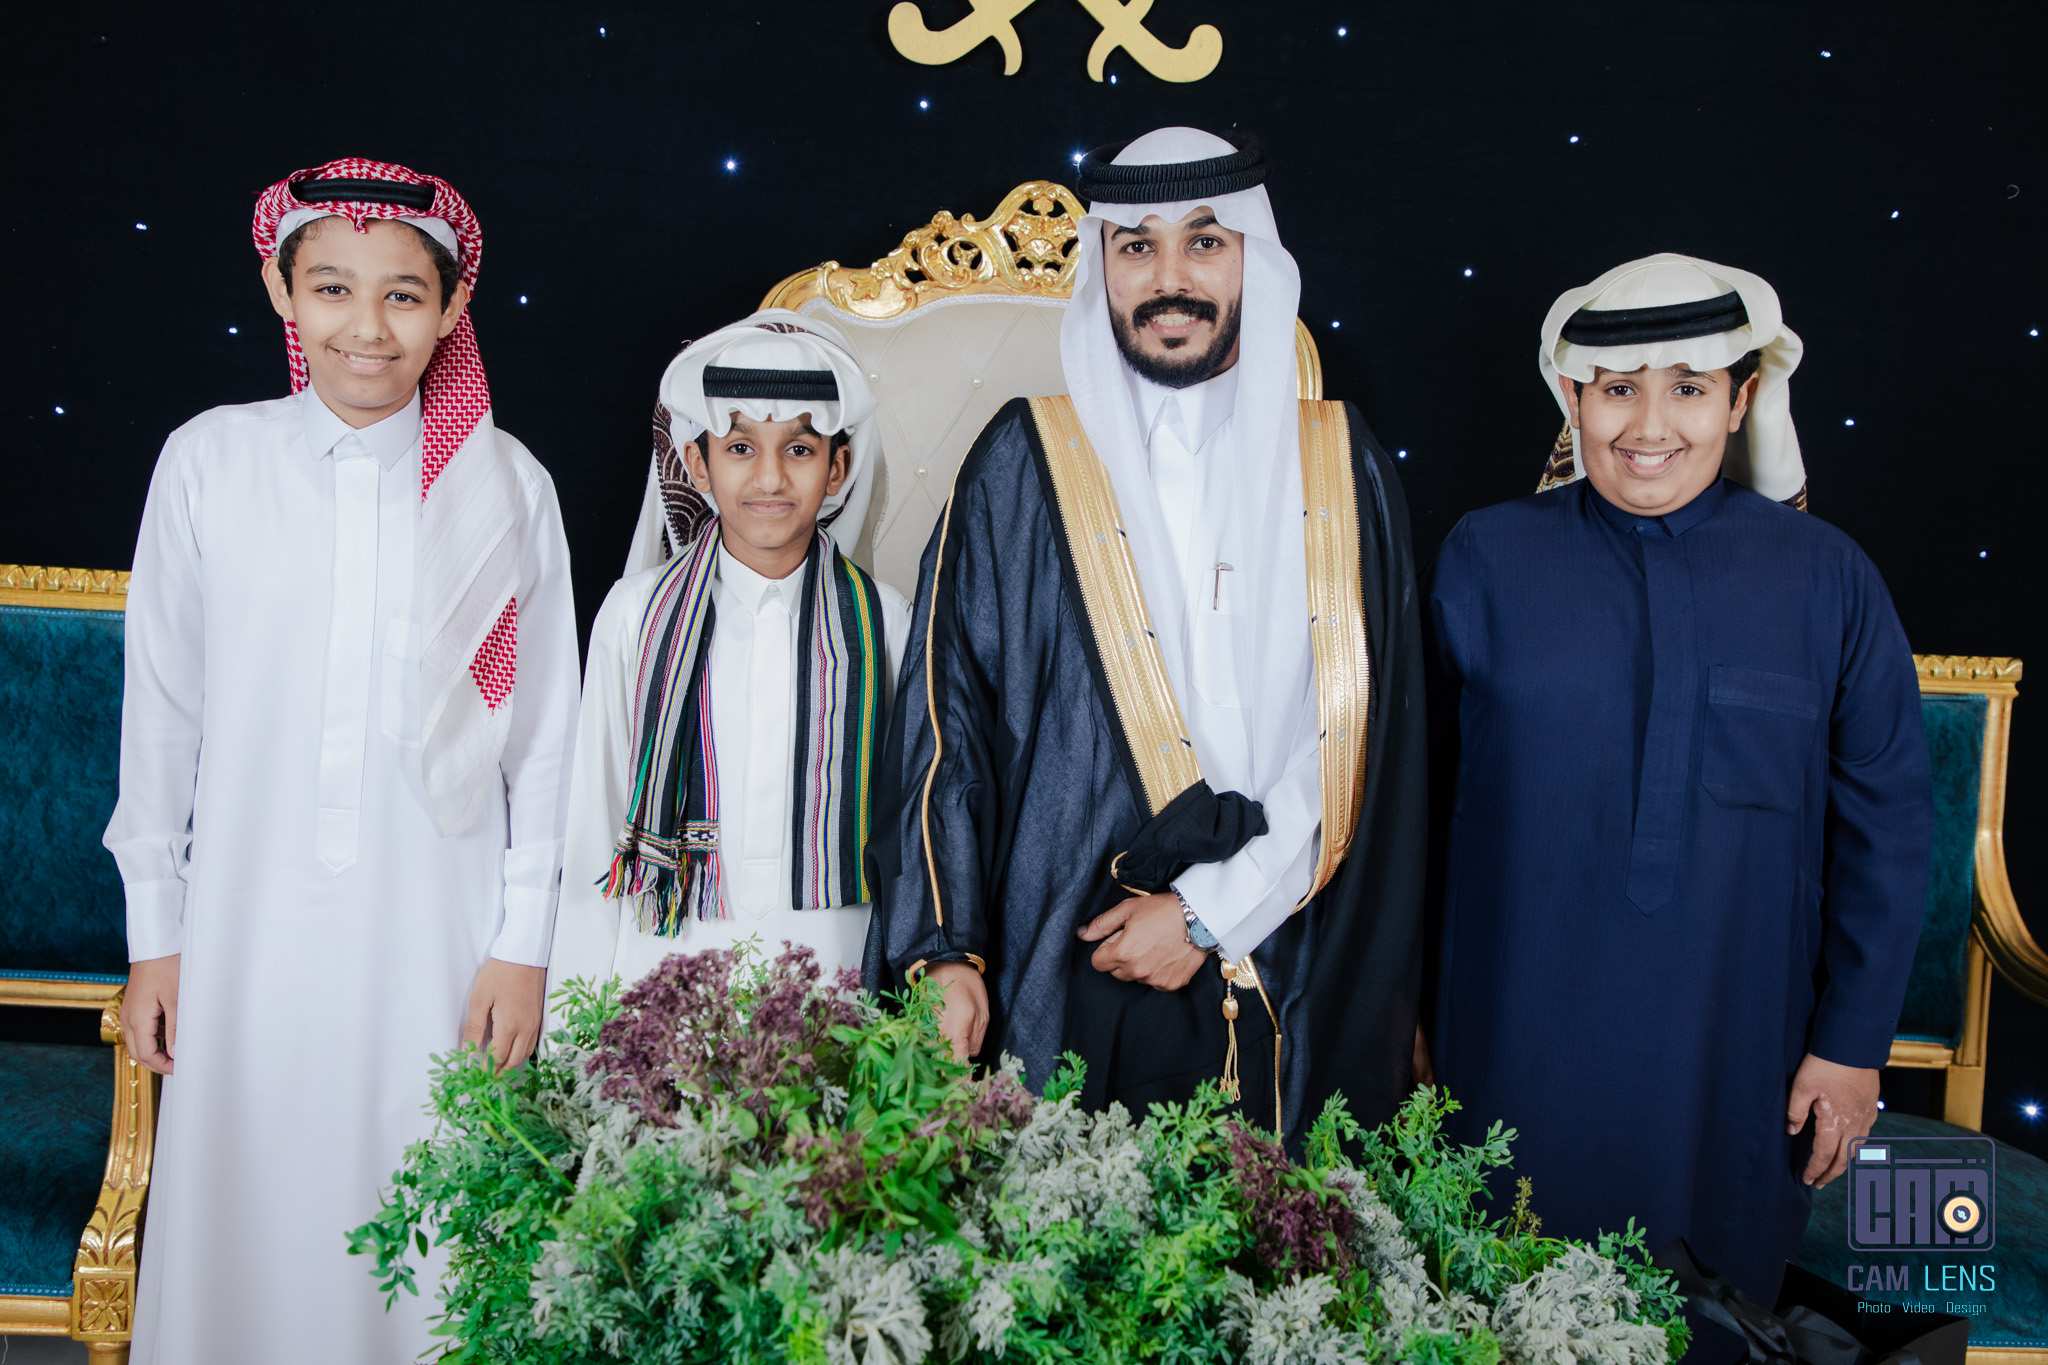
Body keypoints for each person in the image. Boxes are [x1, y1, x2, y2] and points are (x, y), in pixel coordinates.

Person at [104, 159, 580, 1364]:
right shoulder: (209, 462)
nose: (366, 327)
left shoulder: (506, 486)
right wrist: (155, 935)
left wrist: (524, 947)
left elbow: (546, 742)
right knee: (246, 1219)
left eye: (402, 295)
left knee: (424, 1224)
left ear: (453, 307)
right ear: (280, 292)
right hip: (242, 930)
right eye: (331, 288)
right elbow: (161, 717)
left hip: (441, 933)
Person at [864, 127, 1427, 1142]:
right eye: (1137, 246)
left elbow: (1364, 743)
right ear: (1102, 268)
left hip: (1286, 947)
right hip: (1068, 952)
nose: (1170, 279)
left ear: (1251, 258)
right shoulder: (1024, 461)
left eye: (1204, 242)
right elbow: (946, 723)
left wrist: (1210, 912)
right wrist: (942, 948)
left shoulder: (1341, 467)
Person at [1426, 253, 1932, 1332]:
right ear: (1573, 398)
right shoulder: (1484, 556)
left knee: (1710, 1327)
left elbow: (1886, 830)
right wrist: (1400, 1023)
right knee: (1488, 1315)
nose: (1648, 425)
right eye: (1617, 388)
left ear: (1741, 401)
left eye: (1688, 388)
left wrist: (1850, 1046)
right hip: (1508, 1040)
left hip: (1735, 1052)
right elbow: (1410, 810)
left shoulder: (1827, 576)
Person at [546, 313, 911, 1000]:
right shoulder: (635, 615)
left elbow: (906, 833)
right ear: (698, 465)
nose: (770, 477)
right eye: (740, 447)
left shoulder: (884, 622)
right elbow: (596, 819)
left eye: (799, 450)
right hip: (663, 981)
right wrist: (579, 1027)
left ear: (837, 469)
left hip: (837, 981)